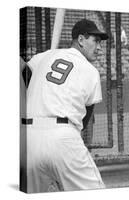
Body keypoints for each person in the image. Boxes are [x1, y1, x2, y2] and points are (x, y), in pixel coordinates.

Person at [20, 19, 108, 193]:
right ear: (81, 40)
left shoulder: (43, 56)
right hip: (63, 138)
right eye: (96, 41)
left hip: (27, 140)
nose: (99, 47)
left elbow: (21, 67)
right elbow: (84, 119)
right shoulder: (90, 71)